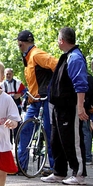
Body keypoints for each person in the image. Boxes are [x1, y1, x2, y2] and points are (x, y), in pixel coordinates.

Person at [41, 27, 88, 185]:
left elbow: (80, 84)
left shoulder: (75, 58)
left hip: (69, 107)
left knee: (72, 140)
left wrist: (80, 106)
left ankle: (79, 174)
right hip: (58, 107)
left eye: (57, 39)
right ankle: (59, 172)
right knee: (57, 140)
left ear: (62, 40)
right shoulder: (66, 57)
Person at [15, 30, 58, 174]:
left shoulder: (37, 54)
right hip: (34, 100)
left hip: (45, 99)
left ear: (21, 43)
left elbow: (57, 65)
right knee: (25, 130)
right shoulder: (28, 57)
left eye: (18, 44)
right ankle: (22, 166)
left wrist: (50, 88)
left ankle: (54, 167)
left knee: (48, 131)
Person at [0, 68, 26, 143]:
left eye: (9, 74)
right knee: (7, 124)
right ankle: (9, 142)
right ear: (4, 75)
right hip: (5, 107)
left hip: (17, 105)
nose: (8, 75)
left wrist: (20, 94)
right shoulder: (1, 84)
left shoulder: (18, 82)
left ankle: (17, 142)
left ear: (12, 74)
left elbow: (25, 91)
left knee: (17, 123)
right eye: (7, 74)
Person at [82, 73, 93, 164]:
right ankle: (87, 156)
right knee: (86, 131)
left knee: (84, 131)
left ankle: (87, 156)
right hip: (87, 106)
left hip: (81, 106)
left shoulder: (75, 75)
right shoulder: (90, 77)